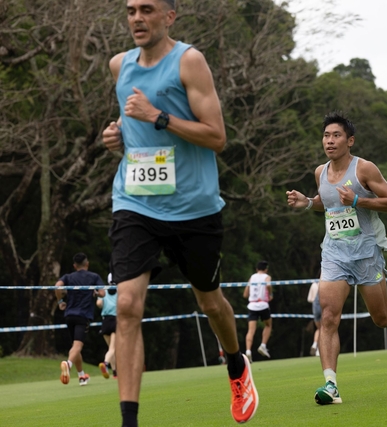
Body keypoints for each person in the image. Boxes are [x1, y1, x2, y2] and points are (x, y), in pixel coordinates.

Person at [101, 0, 257, 424]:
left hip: (193, 208)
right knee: (127, 304)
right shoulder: (118, 65)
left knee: (210, 302)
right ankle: (129, 420)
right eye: (130, 10)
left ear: (169, 16)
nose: (137, 18)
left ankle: (236, 364)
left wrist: (158, 117)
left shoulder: (189, 61)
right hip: (135, 202)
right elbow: (131, 124)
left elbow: (217, 136)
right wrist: (117, 136)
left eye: (147, 9)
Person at [286, 111, 387, 406]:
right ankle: (331, 385)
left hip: (366, 253)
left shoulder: (364, 169)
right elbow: (327, 203)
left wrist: (358, 200)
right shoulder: (320, 172)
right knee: (328, 316)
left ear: (349, 141)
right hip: (334, 253)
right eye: (326, 136)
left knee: (379, 318)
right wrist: (307, 203)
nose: (329, 141)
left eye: (336, 136)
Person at [55, 253, 104, 386]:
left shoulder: (68, 277)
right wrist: (95, 292)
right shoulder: (94, 276)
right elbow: (102, 293)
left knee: (75, 347)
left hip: (69, 315)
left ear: (74, 266)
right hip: (83, 316)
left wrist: (60, 301)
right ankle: (68, 365)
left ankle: (82, 376)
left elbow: (58, 286)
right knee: (78, 346)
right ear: (87, 264)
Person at [243, 261, 273, 362]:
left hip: (252, 306)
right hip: (263, 305)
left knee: (251, 330)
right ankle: (263, 345)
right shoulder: (267, 277)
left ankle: (248, 351)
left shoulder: (252, 277)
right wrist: (270, 294)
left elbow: (245, 294)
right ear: (266, 269)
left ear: (256, 269)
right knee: (268, 325)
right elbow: (268, 285)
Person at [97, 273, 118, 379]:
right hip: (115, 320)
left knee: (110, 349)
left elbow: (99, 304)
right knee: (112, 349)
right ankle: (105, 363)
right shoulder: (120, 290)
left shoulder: (103, 290)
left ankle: (115, 372)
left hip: (105, 321)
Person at [307, 277, 321, 356]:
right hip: (322, 306)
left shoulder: (313, 284)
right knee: (324, 330)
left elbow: (309, 299)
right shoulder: (325, 282)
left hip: (314, 308)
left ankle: (315, 344)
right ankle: (318, 349)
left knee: (319, 329)